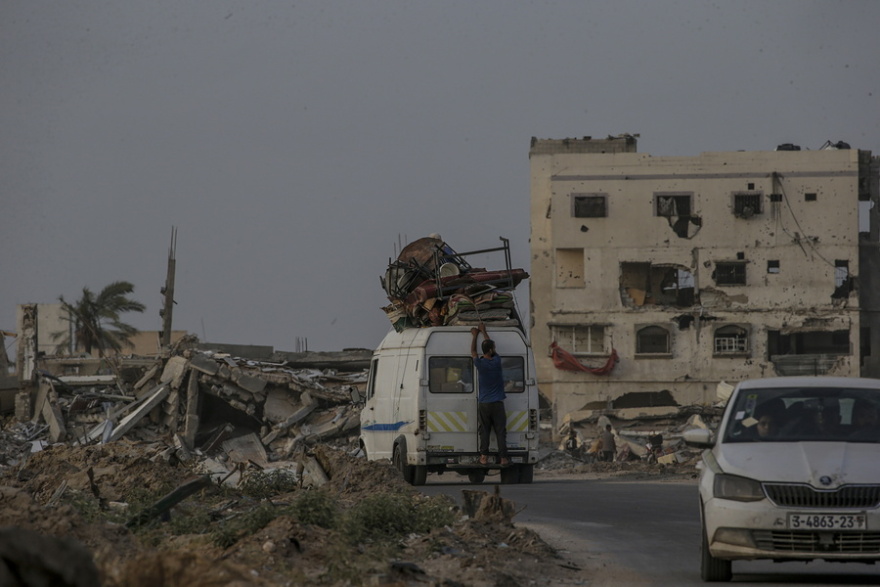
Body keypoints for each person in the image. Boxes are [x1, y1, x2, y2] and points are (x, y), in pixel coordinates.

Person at [471, 322, 508, 465]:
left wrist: (474, 336)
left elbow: (473, 352)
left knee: (484, 431)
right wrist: (484, 331)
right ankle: (503, 458)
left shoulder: (480, 364)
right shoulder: (497, 361)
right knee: (500, 431)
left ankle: (484, 457)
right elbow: (489, 346)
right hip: (497, 403)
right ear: (492, 350)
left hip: (484, 403)